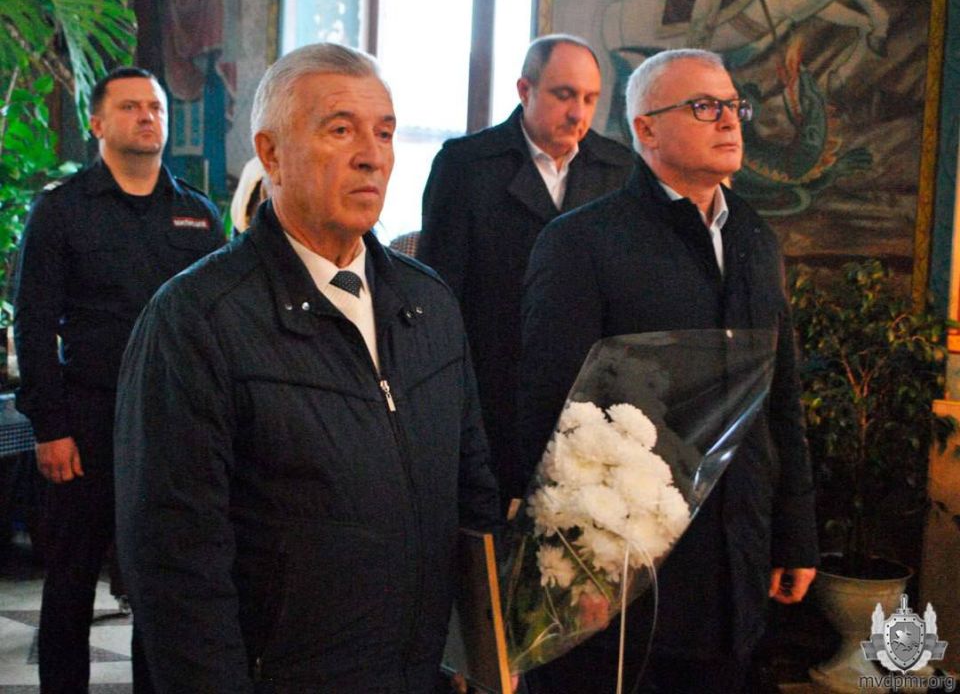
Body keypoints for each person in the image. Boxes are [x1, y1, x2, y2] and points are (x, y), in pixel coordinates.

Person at [113, 42, 501, 692]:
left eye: (384, 133)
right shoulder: (197, 318)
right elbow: (177, 566)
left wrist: (483, 658)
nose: (371, 155)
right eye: (340, 130)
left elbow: (473, 493)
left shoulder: (428, 302)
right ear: (270, 155)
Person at [517, 48, 818, 693]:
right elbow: (548, 412)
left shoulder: (756, 239)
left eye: (733, 106)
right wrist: (573, 564)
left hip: (736, 551)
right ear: (646, 128)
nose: (729, 120)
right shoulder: (582, 242)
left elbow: (781, 397)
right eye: (704, 107)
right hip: (625, 572)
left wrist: (796, 532)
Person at [13, 66, 224, 693]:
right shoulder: (62, 211)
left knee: (159, 579)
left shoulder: (197, 214)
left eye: (155, 107)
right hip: (88, 420)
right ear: (98, 123)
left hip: (172, 425)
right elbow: (33, 325)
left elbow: (220, 322)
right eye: (131, 107)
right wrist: (50, 428)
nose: (147, 116)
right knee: (72, 578)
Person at [417, 34, 634, 506]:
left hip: (586, 401)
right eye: (564, 95)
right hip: (492, 392)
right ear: (524, 90)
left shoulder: (619, 170)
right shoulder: (465, 165)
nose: (578, 113)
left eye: (590, 98)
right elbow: (437, 295)